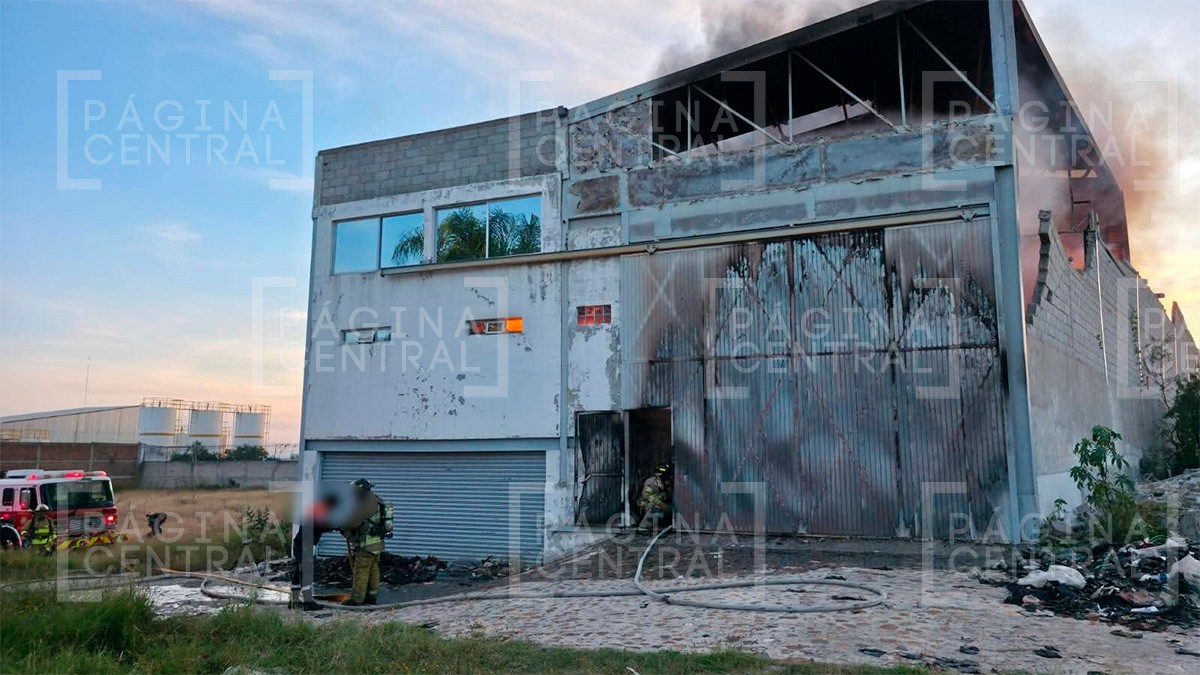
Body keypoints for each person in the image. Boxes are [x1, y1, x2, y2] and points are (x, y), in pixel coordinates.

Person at [343, 478, 384, 606]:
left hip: (367, 544)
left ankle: (357, 599)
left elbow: (355, 521)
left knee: (361, 570)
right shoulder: (376, 500)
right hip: (376, 543)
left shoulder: (366, 503)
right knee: (373, 569)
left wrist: (343, 527)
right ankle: (371, 597)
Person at [637, 463, 672, 533]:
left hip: (658, 503)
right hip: (646, 504)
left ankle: (657, 525)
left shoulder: (664, 483)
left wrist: (669, 487)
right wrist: (660, 503)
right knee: (656, 508)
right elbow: (646, 495)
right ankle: (644, 527)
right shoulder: (652, 481)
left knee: (671, 508)